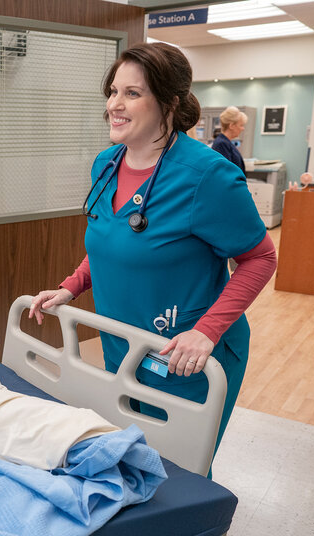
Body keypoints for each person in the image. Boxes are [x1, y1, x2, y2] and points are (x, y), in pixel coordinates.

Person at [29, 43, 277, 471]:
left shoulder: (207, 176)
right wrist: (70, 287)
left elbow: (260, 259)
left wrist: (207, 332)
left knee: (177, 475)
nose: (114, 105)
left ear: (168, 101)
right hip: (123, 346)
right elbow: (111, 245)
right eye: (112, 92)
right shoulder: (106, 165)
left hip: (184, 356)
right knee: (130, 461)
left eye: (132, 93)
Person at [211, 106, 248, 174]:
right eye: (241, 125)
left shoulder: (226, 143)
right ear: (231, 126)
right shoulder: (221, 144)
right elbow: (225, 172)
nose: (243, 129)